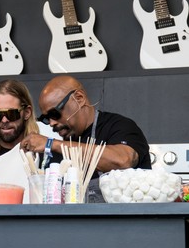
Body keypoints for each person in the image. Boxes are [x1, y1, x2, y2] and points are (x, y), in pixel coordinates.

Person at [20, 75, 151, 202]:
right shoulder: (54, 150)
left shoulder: (118, 126)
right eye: (46, 119)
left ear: (79, 98)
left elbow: (123, 161)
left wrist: (53, 144)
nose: (52, 123)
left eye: (55, 113)